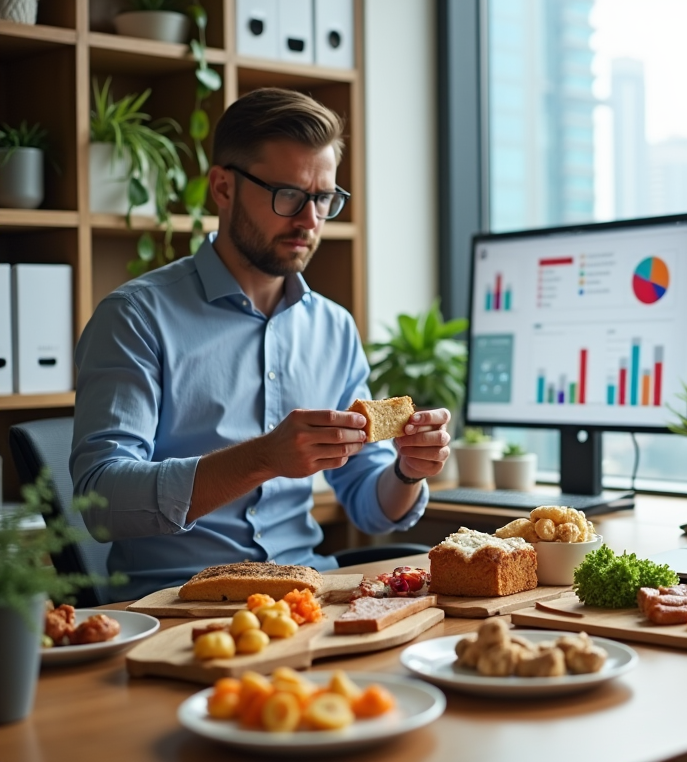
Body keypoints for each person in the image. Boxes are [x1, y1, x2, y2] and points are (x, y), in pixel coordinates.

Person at [71, 88, 451, 601]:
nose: (310, 221)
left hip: (310, 597)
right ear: (223, 188)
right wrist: (263, 458)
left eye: (324, 199)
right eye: (289, 195)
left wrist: (407, 470)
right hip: (179, 605)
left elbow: (367, 501)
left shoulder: (334, 328)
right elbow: (101, 501)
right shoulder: (136, 317)